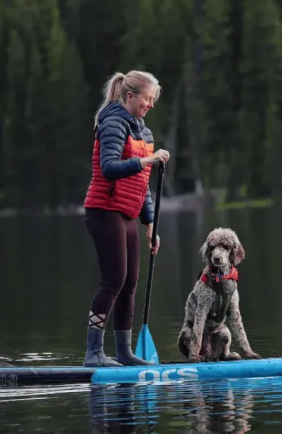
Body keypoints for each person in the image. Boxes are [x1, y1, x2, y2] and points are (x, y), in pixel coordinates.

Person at [82, 70, 171, 367]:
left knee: (130, 282)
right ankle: (93, 353)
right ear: (130, 96)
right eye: (147, 99)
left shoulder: (144, 132)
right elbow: (109, 168)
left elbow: (142, 184)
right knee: (113, 281)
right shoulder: (112, 123)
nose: (151, 105)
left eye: (153, 100)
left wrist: (150, 226)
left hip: (128, 214)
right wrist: (147, 159)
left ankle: (123, 352)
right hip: (103, 211)